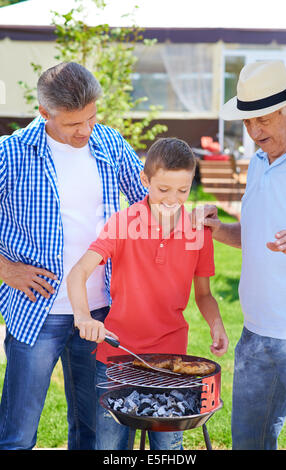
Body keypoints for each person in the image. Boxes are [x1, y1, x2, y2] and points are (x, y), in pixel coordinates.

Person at [0, 61, 148, 450]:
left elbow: (148, 205)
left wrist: (193, 216)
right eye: (73, 124)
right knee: (16, 436)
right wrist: (6, 269)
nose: (86, 130)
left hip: (101, 310)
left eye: (92, 118)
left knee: (94, 433)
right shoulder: (10, 154)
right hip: (37, 311)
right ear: (45, 113)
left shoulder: (110, 142)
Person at [67, 137, 229, 450]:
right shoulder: (122, 224)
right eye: (163, 190)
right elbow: (79, 273)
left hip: (171, 359)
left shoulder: (198, 230)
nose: (173, 199)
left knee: (168, 446)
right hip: (116, 357)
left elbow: (205, 295)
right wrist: (83, 316)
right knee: (111, 447)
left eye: (182, 191)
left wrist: (217, 324)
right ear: (145, 180)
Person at [204, 60, 286, 450]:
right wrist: (218, 231)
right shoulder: (260, 161)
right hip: (255, 336)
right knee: (248, 444)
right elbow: (258, 237)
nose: (254, 132)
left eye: (262, 120)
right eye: (247, 122)